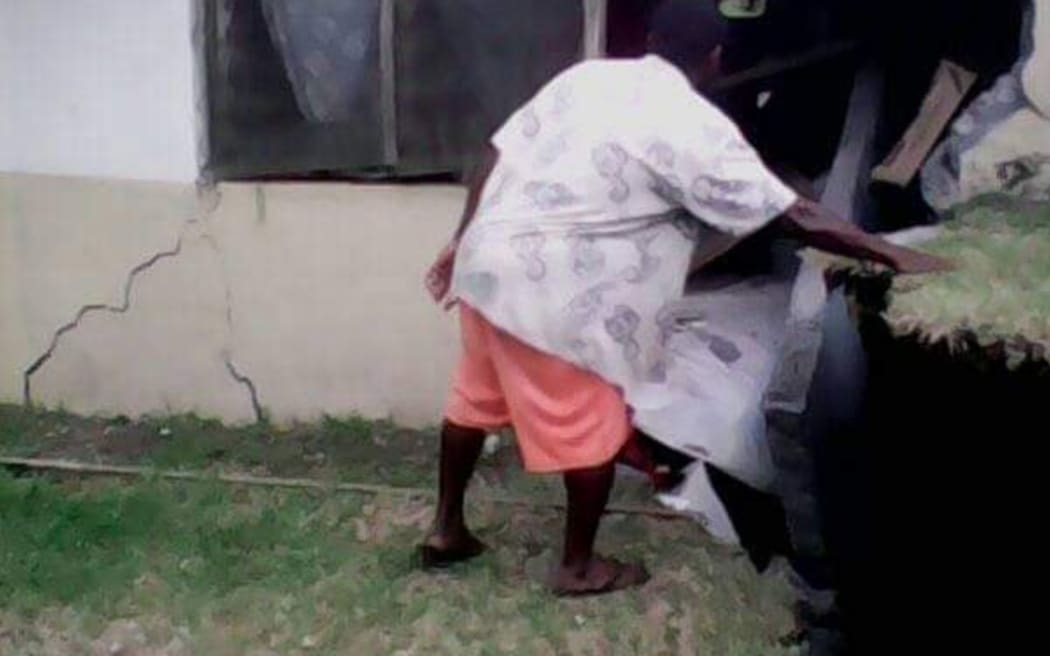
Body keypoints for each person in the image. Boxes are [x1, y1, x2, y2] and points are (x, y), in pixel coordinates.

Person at [419, 0, 949, 597]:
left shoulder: (587, 77)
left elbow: (496, 151)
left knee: (474, 398)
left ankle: (446, 528)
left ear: (649, 38)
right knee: (592, 422)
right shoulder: (690, 123)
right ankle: (577, 566)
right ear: (718, 58)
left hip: (488, 263)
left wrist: (464, 238)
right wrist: (895, 255)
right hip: (554, 289)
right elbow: (790, 212)